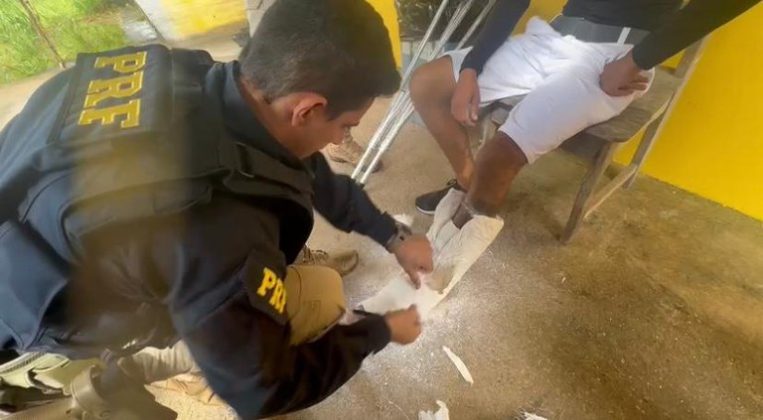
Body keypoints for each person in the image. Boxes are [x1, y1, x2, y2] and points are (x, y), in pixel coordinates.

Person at [0, 0, 434, 418]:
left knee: (257, 248)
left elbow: (294, 163)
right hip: (37, 331)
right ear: (307, 109)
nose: (340, 140)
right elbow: (265, 389)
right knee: (319, 297)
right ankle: (134, 374)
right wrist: (378, 331)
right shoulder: (218, 234)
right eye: (345, 126)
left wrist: (391, 234)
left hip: (37, 238)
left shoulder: (186, 72)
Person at [408, 0, 761, 291]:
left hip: (617, 55)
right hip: (552, 38)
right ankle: (469, 185)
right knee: (426, 83)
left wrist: (637, 60)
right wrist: (471, 68)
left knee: (497, 158)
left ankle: (442, 272)